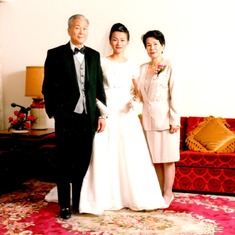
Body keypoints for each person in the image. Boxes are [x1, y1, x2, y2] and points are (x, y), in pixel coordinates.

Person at [78, 23, 165, 214]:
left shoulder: (132, 64)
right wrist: (101, 111)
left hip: (126, 112)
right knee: (104, 151)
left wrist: (136, 100)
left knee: (130, 153)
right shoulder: (101, 61)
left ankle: (132, 196)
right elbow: (94, 89)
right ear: (110, 40)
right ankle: (102, 197)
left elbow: (139, 91)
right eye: (115, 39)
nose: (118, 43)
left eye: (122, 40)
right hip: (107, 111)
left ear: (127, 42)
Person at [42, 14, 106, 220]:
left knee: (82, 162)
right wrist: (56, 112)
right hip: (66, 119)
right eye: (77, 28)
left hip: (88, 118)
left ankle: (79, 202)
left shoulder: (94, 56)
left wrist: (102, 114)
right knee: (64, 163)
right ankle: (64, 206)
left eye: (85, 28)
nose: (81, 32)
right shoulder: (55, 54)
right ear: (69, 30)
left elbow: (98, 88)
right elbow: (47, 87)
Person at [138, 30, 180, 208]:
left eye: (155, 44)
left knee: (167, 158)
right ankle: (157, 192)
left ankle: (168, 193)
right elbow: (138, 93)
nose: (152, 47)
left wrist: (174, 119)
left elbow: (175, 94)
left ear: (162, 46)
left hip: (165, 119)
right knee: (155, 158)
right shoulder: (142, 68)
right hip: (147, 119)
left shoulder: (169, 66)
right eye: (148, 44)